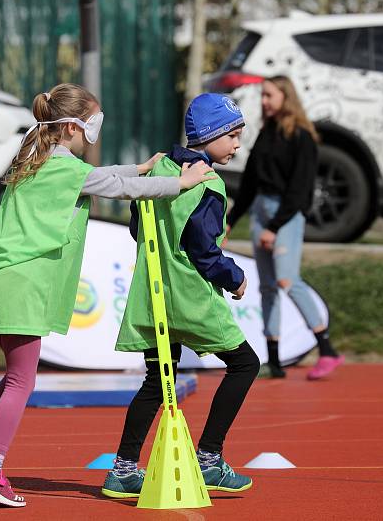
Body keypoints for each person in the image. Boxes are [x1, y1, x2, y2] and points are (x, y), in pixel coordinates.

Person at [0, 83, 216, 508]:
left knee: (12, 375)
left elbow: (105, 177)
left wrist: (139, 166)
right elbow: (117, 189)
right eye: (92, 126)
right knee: (23, 380)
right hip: (20, 283)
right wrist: (180, 181)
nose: (93, 136)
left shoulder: (33, 156)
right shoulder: (65, 170)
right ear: (70, 128)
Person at [102, 93, 259, 499]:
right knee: (245, 364)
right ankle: (209, 459)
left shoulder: (161, 170)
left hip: (153, 293)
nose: (238, 145)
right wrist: (234, 276)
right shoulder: (208, 184)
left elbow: (139, 229)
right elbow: (203, 251)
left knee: (156, 381)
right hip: (190, 295)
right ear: (210, 137)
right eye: (234, 136)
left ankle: (122, 469)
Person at [226, 75, 344, 381]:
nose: (264, 101)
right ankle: (274, 361)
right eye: (263, 96)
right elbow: (250, 182)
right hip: (261, 212)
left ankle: (327, 349)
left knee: (287, 281)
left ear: (285, 97)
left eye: (269, 95)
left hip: (286, 214)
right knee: (267, 287)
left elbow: (300, 188)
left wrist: (275, 226)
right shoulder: (267, 133)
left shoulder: (302, 136)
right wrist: (230, 221)